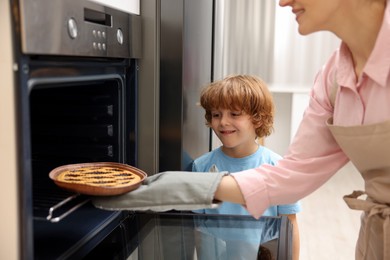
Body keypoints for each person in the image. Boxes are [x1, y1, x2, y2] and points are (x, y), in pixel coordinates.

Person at [94, 0, 390, 259]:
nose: (283, 2)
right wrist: (173, 187)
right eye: (216, 114)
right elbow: (295, 173)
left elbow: (288, 219)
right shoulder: (332, 77)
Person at [192, 74, 300, 260]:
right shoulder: (201, 166)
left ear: (257, 118)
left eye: (234, 114)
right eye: (217, 114)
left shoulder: (278, 168)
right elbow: (197, 227)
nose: (223, 122)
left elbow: (290, 225)